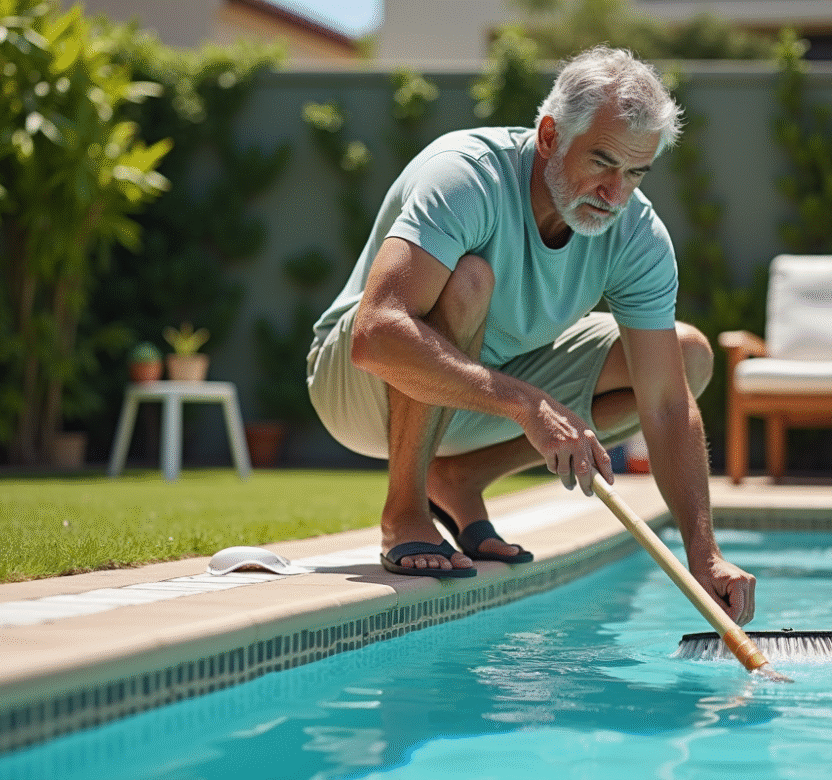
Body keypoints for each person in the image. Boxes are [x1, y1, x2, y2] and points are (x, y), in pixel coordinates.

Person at [308, 46, 756, 625]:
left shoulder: (636, 234)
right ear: (549, 134)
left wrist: (706, 554)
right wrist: (525, 403)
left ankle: (460, 479)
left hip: (479, 393)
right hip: (360, 388)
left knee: (686, 359)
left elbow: (668, 405)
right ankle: (405, 510)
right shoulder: (468, 175)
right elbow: (376, 336)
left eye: (636, 173)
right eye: (602, 162)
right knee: (469, 279)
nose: (615, 193)